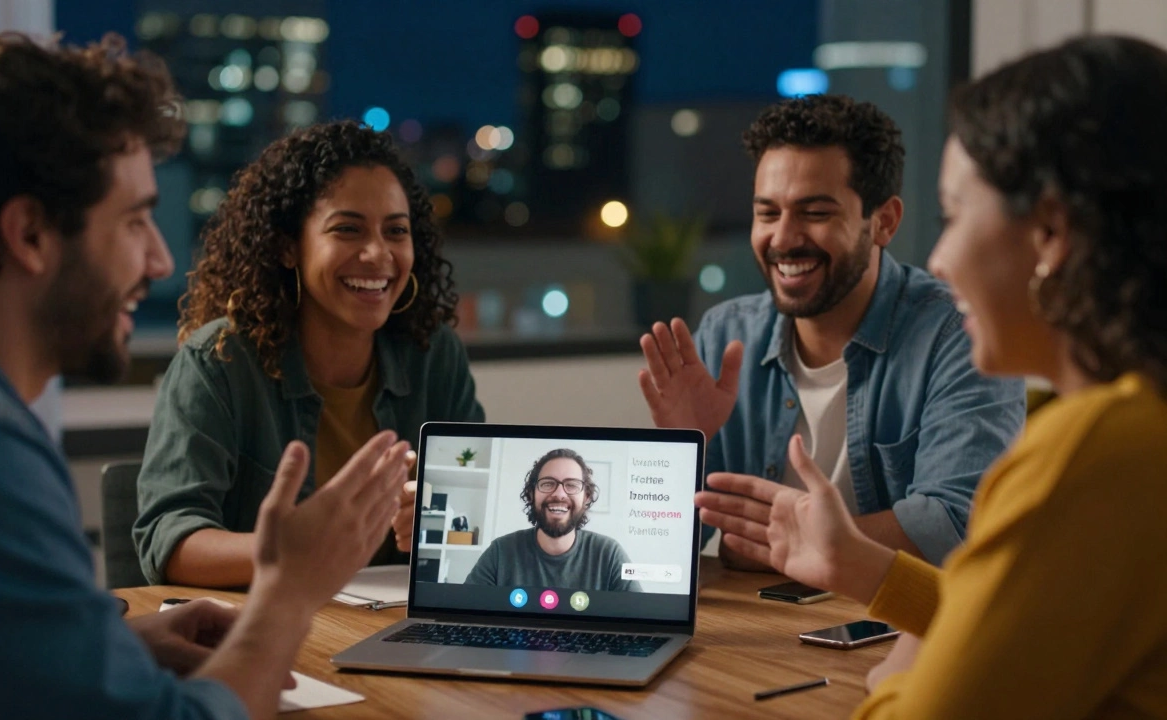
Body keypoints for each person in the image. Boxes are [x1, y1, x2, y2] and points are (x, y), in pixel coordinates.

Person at [0, 33, 411, 720]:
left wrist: (116, 641)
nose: (161, 261)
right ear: (30, 234)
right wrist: (288, 591)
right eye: (135, 221)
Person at [697, 34, 1167, 718]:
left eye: (955, 215)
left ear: (1051, 236)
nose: (939, 259)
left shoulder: (1093, 450)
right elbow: (1016, 621)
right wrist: (865, 568)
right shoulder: (1138, 423)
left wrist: (900, 669)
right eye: (768, 211)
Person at [638, 95, 1024, 567]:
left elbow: (955, 524)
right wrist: (680, 453)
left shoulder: (958, 332)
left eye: (815, 213)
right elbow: (661, 558)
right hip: (758, 628)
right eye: (767, 213)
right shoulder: (725, 335)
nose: (782, 238)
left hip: (900, 625)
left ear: (883, 221)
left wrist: (796, 544)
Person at [133, 120, 484, 587]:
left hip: (387, 627)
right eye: (348, 230)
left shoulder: (432, 353)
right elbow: (168, 542)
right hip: (261, 633)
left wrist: (446, 520)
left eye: (396, 231)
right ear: (287, 247)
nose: (378, 254)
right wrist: (291, 547)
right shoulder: (219, 361)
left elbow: (477, 501)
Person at [466, 449, 641, 592]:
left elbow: (638, 618)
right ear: (531, 494)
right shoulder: (500, 552)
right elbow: (467, 613)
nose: (559, 493)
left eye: (571, 485)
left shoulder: (609, 554)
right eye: (548, 483)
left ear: (586, 497)